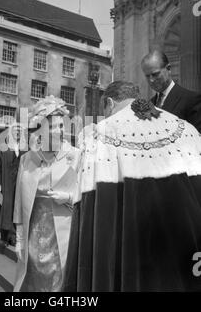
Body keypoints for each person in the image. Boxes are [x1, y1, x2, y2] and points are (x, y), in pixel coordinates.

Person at [63, 81, 201, 292]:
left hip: (131, 261)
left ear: (109, 103)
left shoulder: (97, 136)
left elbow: (88, 215)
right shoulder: (188, 129)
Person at [13, 95, 82, 292]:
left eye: (62, 126)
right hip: (34, 228)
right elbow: (19, 201)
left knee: (59, 277)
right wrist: (19, 239)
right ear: (42, 129)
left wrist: (68, 197)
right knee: (32, 277)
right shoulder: (27, 159)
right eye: (54, 127)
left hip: (63, 227)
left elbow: (85, 193)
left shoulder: (75, 155)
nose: (61, 131)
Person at [141, 49, 201, 131]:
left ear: (168, 69)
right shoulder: (149, 104)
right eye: (147, 76)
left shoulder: (192, 99)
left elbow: (197, 138)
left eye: (155, 74)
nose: (151, 80)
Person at [0, 124, 26, 247]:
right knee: (6, 208)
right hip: (7, 182)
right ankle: (4, 236)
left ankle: (14, 236)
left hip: (20, 182)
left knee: (18, 208)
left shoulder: (25, 148)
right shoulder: (3, 148)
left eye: (20, 131)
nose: (17, 132)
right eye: (15, 130)